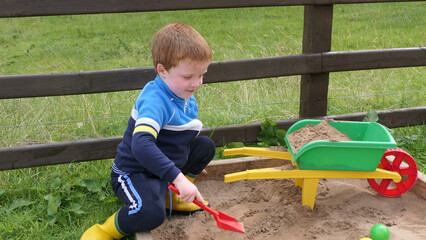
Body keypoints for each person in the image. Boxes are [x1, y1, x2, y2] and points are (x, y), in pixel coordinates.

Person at [81, 22, 216, 240]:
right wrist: (179, 177)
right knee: (151, 214)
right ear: (162, 70)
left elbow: (177, 138)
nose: (196, 83)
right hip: (135, 173)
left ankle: (172, 198)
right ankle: (103, 231)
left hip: (160, 170)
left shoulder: (183, 95)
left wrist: (183, 168)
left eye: (201, 75)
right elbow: (141, 144)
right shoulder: (155, 100)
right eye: (188, 76)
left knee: (204, 147)